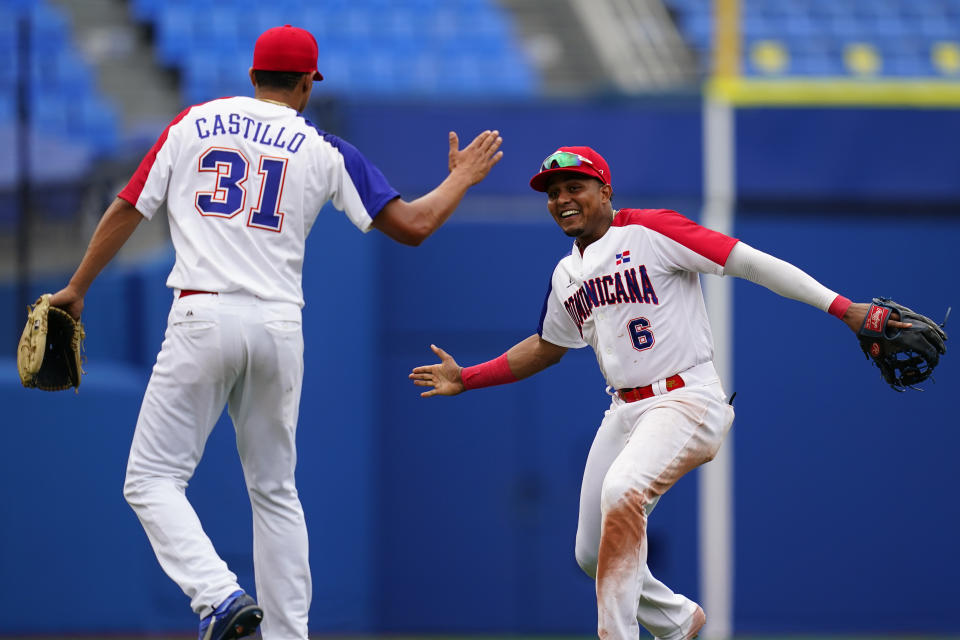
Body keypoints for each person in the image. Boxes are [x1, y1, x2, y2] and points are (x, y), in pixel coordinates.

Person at [49, 24, 503, 640]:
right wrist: (461, 178)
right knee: (275, 491)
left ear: (252, 76)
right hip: (278, 326)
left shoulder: (195, 121)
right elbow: (415, 225)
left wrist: (76, 287)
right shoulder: (324, 147)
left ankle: (217, 596)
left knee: (152, 479)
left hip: (201, 314)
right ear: (308, 85)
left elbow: (130, 204)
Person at [409, 146, 906, 640]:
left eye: (575, 187)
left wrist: (844, 309)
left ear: (605, 191)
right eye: (553, 192)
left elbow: (749, 263)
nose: (562, 199)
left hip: (686, 397)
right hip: (624, 409)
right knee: (588, 553)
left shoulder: (651, 229)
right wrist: (467, 376)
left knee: (622, 490)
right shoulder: (566, 274)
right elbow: (546, 347)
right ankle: (676, 621)